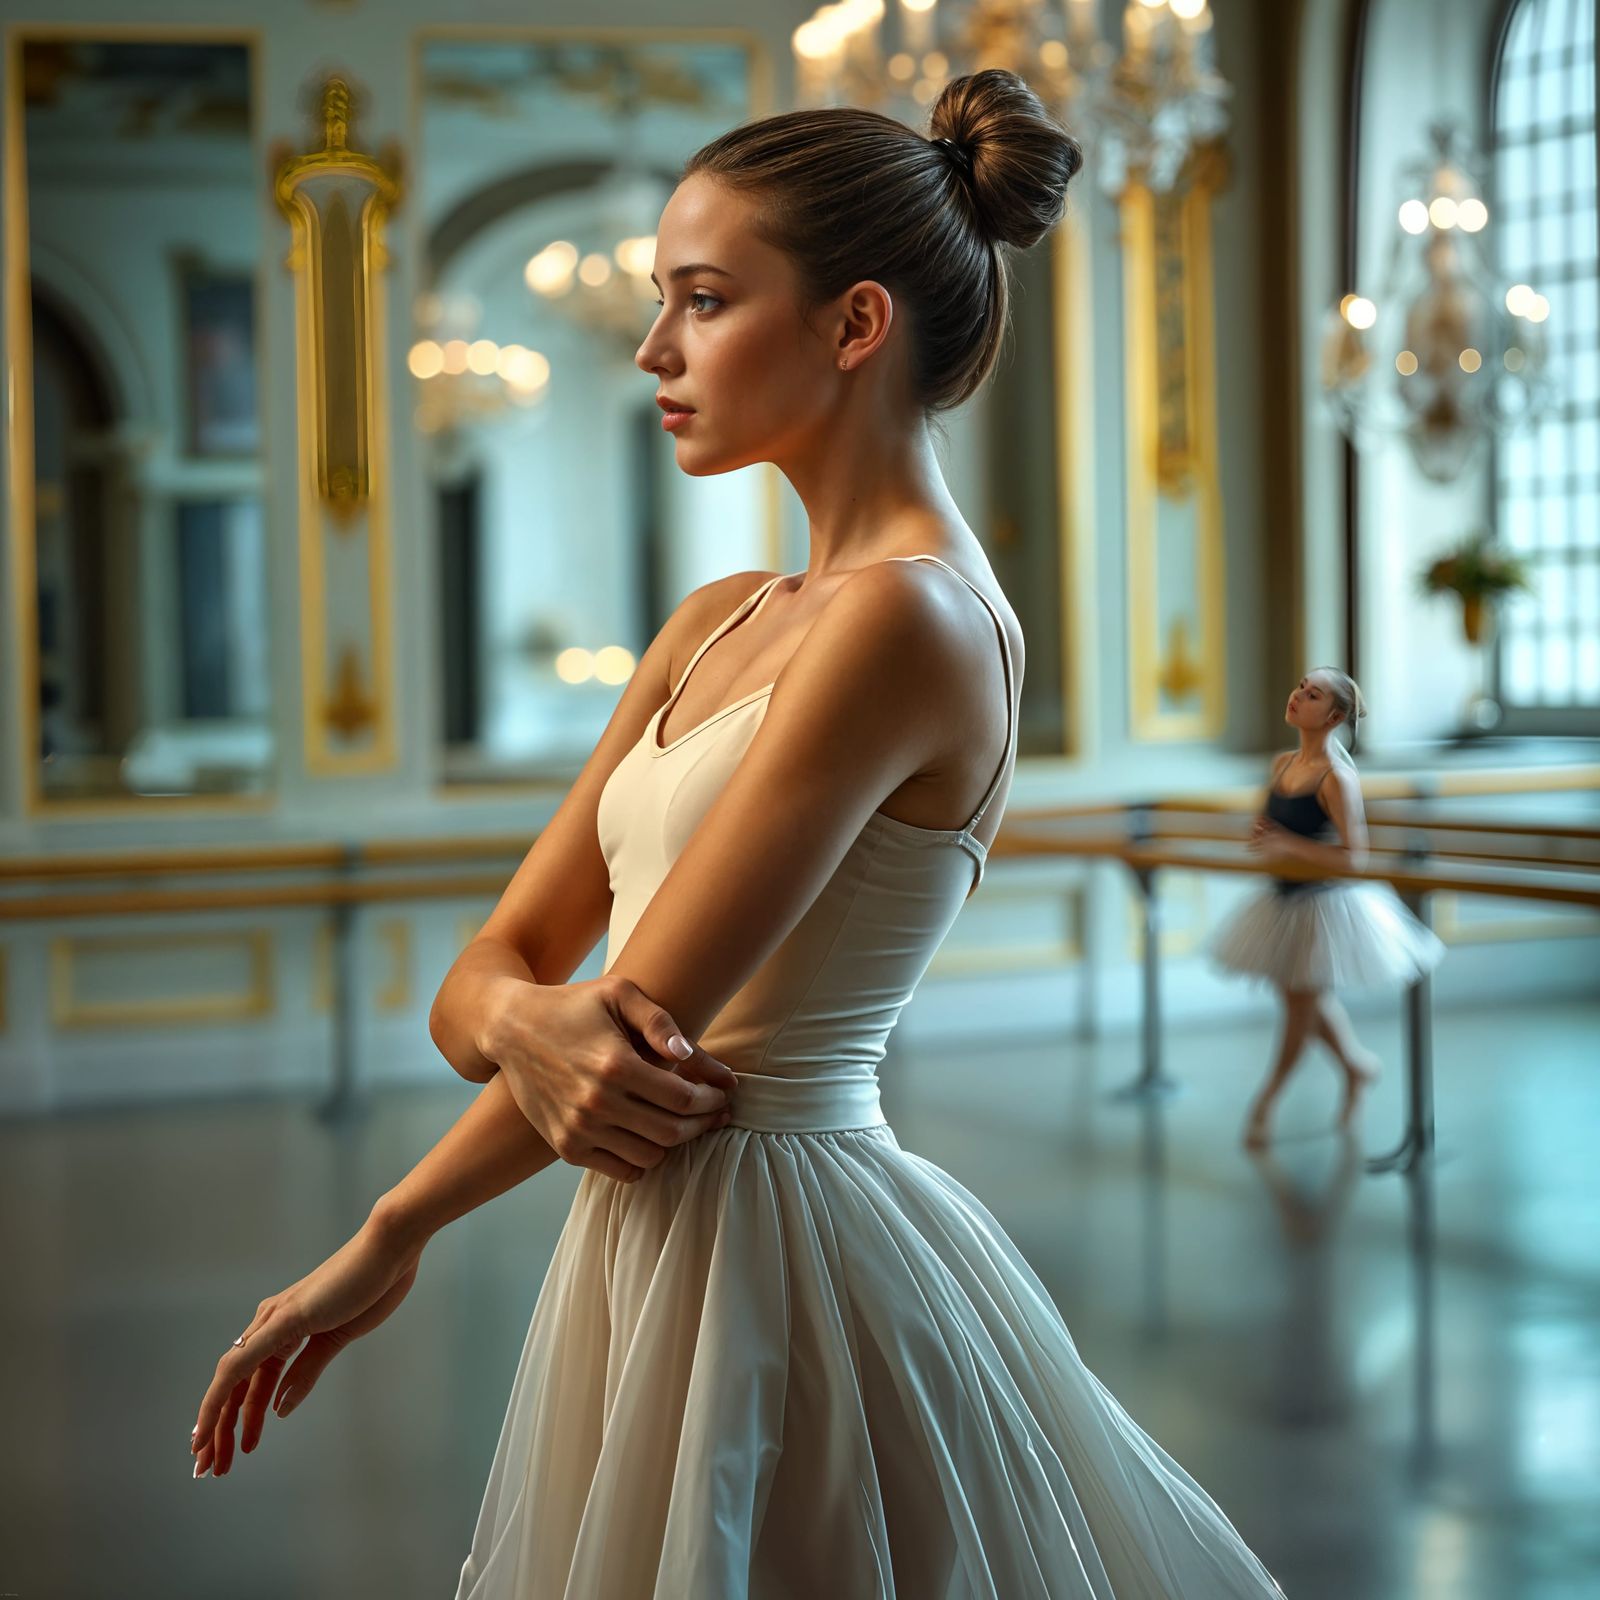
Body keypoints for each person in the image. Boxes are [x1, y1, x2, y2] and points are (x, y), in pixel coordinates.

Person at [190, 71, 1287, 1597]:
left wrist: (393, 1227)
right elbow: (488, 982)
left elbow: (641, 1025)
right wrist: (524, 1018)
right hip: (647, 1247)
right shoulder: (714, 618)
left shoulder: (911, 621)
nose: (654, 349)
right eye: (660, 300)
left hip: (789, 1254)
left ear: (855, 324)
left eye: (703, 301)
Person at [1208, 669, 1445, 1148]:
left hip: (1324, 906)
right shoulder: (1281, 764)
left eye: (1312, 694)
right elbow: (1273, 827)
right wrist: (1264, 835)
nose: (1297, 696)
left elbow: (1356, 858)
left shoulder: (1337, 778)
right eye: (1300, 686)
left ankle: (1267, 1100)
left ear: (1334, 717)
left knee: (1300, 1005)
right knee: (1303, 999)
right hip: (1282, 900)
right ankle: (1357, 1066)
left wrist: (1288, 844)